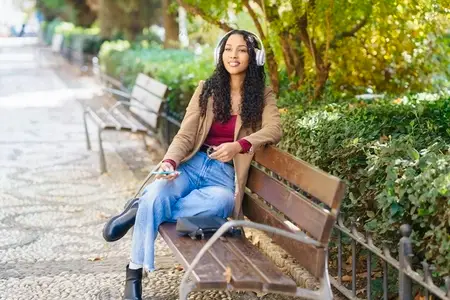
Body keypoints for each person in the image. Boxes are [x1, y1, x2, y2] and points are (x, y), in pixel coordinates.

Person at [120, 29, 282, 300]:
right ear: (220, 53)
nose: (233, 55)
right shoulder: (206, 89)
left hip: (221, 175)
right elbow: (185, 133)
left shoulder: (262, 94)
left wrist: (238, 145)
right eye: (228, 49)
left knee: (221, 203)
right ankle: (134, 271)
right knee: (159, 191)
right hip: (192, 165)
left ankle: (142, 208)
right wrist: (170, 162)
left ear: (254, 57)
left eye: (241, 50)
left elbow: (275, 128)